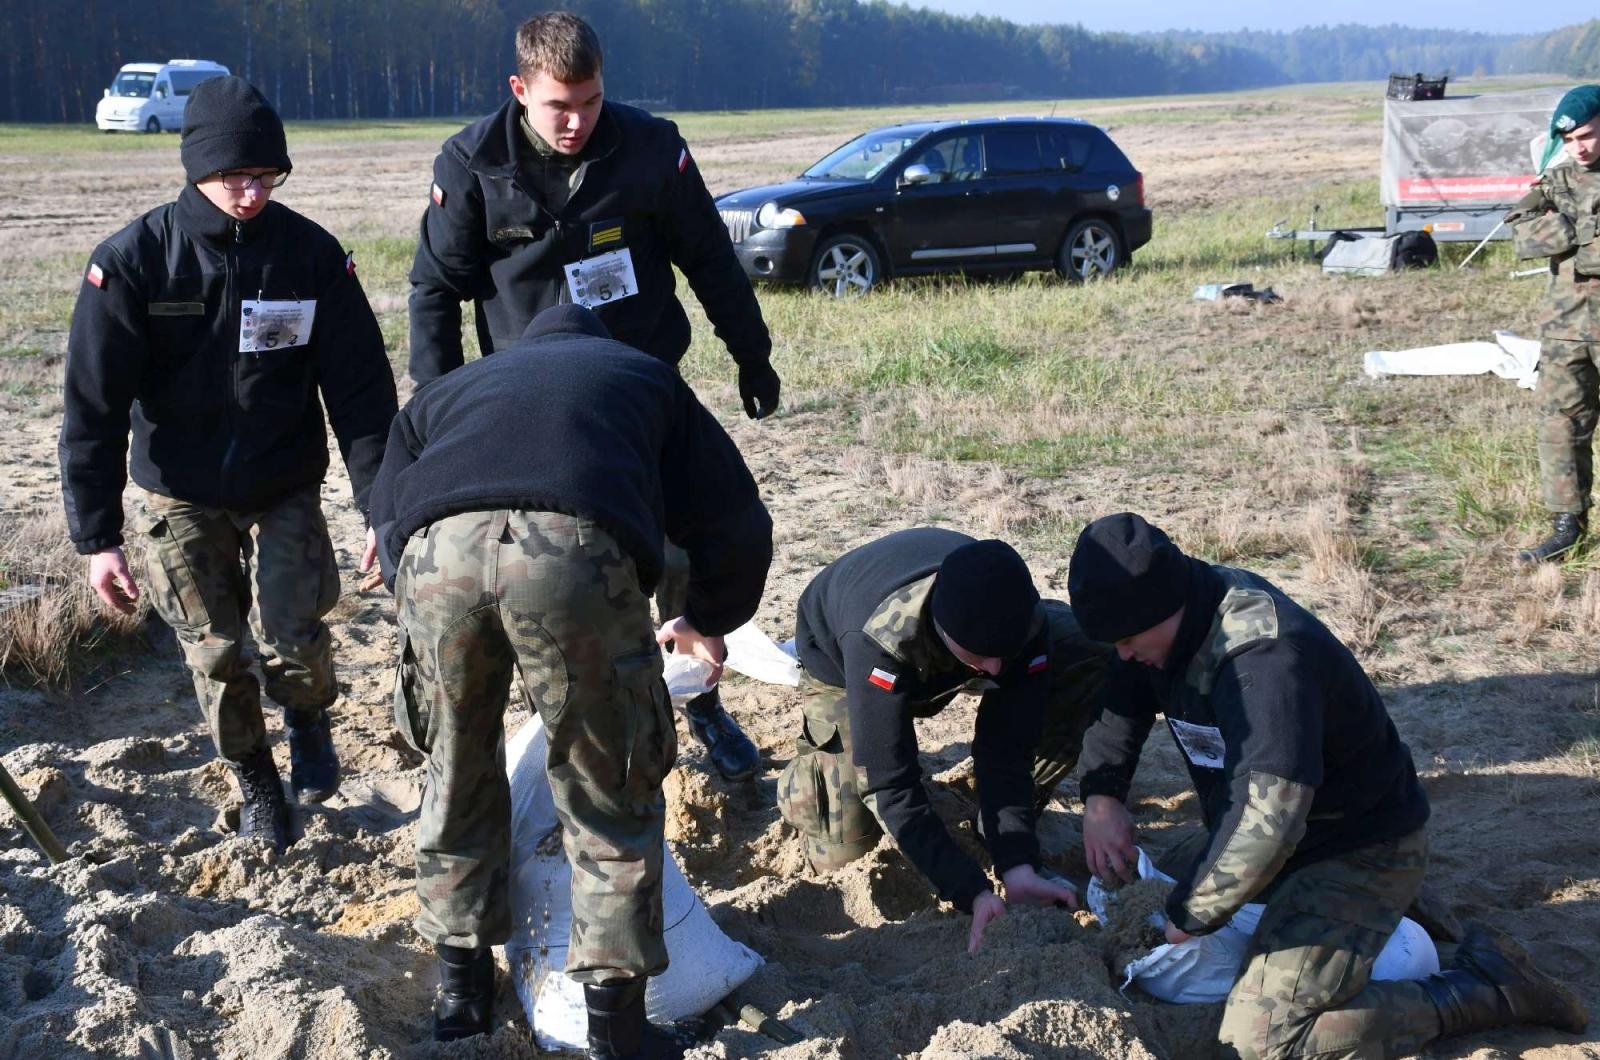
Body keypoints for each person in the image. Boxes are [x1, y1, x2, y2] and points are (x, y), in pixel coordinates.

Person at [367, 304, 772, 1051]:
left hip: (438, 558)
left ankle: (460, 994)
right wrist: (709, 615)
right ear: (599, 347)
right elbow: (737, 519)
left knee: (455, 769)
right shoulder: (644, 376)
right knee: (607, 781)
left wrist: (409, 582)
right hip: (570, 553)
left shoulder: (455, 386)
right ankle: (616, 1024)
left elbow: (386, 504)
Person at [1067, 512, 1588, 1058]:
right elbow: (1122, 698)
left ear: (1163, 605)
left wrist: (1185, 918)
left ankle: (1486, 986)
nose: (1123, 652)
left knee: (1262, 1042)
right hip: (1276, 830)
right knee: (1159, 874)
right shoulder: (1168, 618)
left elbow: (1268, 821)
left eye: (1128, 638)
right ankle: (1389, 918)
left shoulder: (1263, 660)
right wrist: (1101, 795)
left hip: (1354, 847)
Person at [408, 10, 776, 780]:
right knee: (559, 561)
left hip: (641, 388)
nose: (576, 122)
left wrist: (752, 353)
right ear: (519, 90)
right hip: (529, 407)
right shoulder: (473, 164)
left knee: (680, 543)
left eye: (591, 102)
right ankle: (562, 709)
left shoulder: (651, 150)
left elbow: (709, 257)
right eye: (557, 106)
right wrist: (440, 411)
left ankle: (698, 699)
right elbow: (435, 292)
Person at [58, 77, 398, 852]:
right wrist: (98, 538)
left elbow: (363, 396)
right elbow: (91, 410)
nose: (248, 193)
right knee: (214, 652)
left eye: (264, 176)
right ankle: (256, 780)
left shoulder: (311, 258)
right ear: (194, 171)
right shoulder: (133, 262)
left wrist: (384, 506)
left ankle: (309, 718)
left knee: (293, 629)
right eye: (231, 178)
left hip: (282, 478)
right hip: (178, 490)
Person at [776, 528, 1083, 954]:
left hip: (954, 644)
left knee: (1086, 649)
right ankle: (809, 779)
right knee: (844, 850)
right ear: (944, 631)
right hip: (840, 661)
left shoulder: (1020, 624)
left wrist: (1016, 863)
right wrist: (971, 891)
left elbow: (1007, 751)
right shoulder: (877, 640)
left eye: (1004, 654)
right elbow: (889, 786)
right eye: (982, 655)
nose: (995, 669)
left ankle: (995, 824)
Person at [1507, 84, 1600, 563]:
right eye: (1569, 141)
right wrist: (1580, 231)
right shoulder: (1559, 179)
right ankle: (1568, 524)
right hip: (1566, 324)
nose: (1578, 148)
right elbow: (1521, 232)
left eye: (1585, 136)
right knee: (1561, 425)